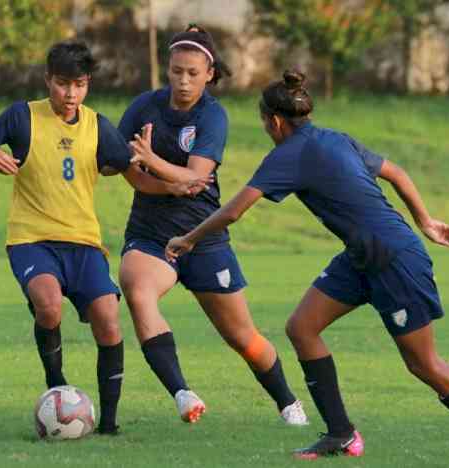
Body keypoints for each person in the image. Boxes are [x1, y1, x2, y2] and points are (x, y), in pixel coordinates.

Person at [166, 70, 449, 460]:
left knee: (423, 364)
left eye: (264, 123)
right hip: (360, 258)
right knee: (302, 328)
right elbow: (397, 173)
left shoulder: (288, 154)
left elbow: (235, 210)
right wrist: (425, 220)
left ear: (273, 121)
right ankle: (341, 434)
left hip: (394, 259)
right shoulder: (335, 138)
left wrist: (189, 238)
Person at [0, 41, 207, 435]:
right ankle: (56, 385)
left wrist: (171, 188)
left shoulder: (97, 125)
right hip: (32, 239)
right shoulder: (22, 117)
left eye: (79, 85)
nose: (70, 94)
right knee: (49, 304)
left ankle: (108, 423)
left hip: (84, 243)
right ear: (47, 80)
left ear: (87, 84)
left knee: (109, 321)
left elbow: (134, 176)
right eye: (62, 84)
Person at [117, 25, 308, 426]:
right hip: (151, 235)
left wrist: (151, 161)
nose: (182, 81)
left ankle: (289, 403)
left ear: (209, 74)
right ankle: (182, 392)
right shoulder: (143, 107)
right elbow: (124, 167)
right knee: (137, 292)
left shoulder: (213, 116)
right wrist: (159, 181)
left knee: (243, 337)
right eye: (175, 71)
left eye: (191, 73)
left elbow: (194, 177)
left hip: (203, 238)